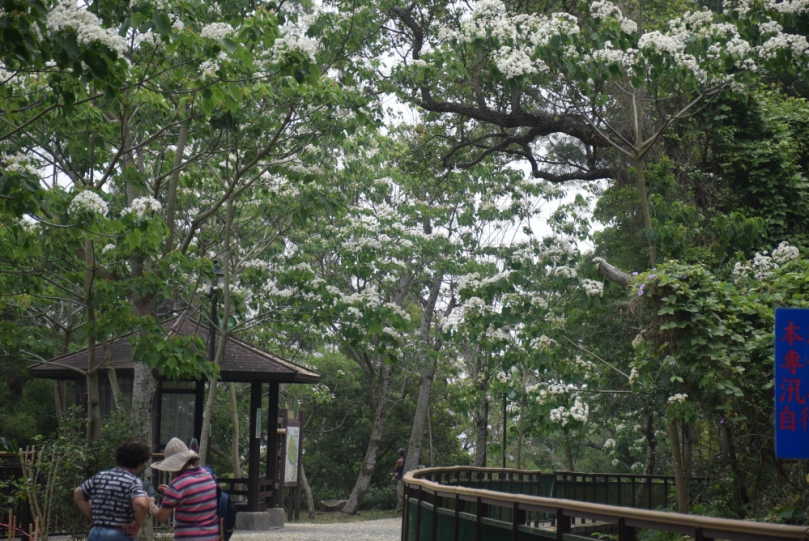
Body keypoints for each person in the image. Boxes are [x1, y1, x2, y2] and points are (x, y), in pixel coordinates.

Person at [73, 439, 152, 541]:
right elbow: (141, 505)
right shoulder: (132, 482)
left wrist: (97, 519)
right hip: (118, 534)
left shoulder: (100, 477)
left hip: (95, 533)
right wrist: (137, 525)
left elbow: (78, 494)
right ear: (140, 463)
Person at [149, 437, 219, 541]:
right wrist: (172, 493)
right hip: (212, 536)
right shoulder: (207, 476)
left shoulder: (177, 485)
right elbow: (194, 497)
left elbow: (162, 517)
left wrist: (151, 505)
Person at [391, 448, 406, 514]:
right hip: (405, 479)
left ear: (398, 453)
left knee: (399, 493)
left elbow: (395, 470)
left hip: (400, 479)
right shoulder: (406, 461)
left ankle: (400, 509)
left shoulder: (399, 461)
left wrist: (394, 476)